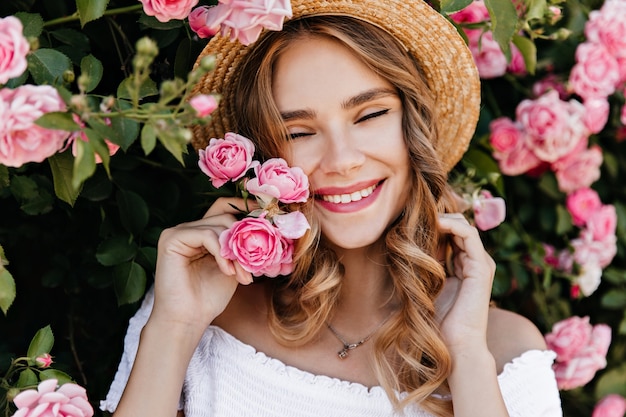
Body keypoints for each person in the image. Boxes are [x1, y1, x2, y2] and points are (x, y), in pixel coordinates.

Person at [101, 0, 563, 415]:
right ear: (262, 157)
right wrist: (175, 327)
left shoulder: (505, 351)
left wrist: (465, 354)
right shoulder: (197, 314)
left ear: (413, 127)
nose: (342, 161)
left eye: (370, 115)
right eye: (299, 132)